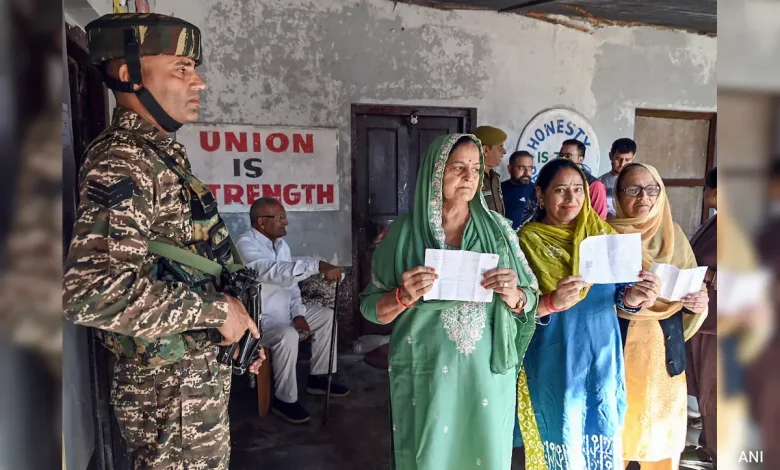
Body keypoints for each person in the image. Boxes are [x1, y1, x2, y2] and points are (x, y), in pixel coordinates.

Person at [62, 13, 263, 469]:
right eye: (181, 68)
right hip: (170, 398)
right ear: (130, 75)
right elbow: (90, 291)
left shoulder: (157, 153)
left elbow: (181, 263)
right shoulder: (122, 160)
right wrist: (217, 311)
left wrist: (235, 329)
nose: (198, 82)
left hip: (188, 386)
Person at [360, 134, 540, 470]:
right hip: (426, 372)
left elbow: (531, 298)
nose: (470, 176)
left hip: (485, 375)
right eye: (458, 168)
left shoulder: (500, 232)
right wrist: (402, 296)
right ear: (435, 172)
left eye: (476, 168)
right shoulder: (404, 235)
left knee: (484, 455)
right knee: (430, 455)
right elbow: (371, 309)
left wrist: (514, 295)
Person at [515, 158, 661, 469]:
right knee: (559, 436)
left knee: (601, 432)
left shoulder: (602, 236)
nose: (571, 198)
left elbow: (621, 295)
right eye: (560, 190)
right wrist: (552, 300)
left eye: (578, 189)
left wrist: (635, 297)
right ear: (541, 194)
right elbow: (515, 311)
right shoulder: (525, 243)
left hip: (601, 354)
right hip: (552, 358)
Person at [609, 163, 709, 469]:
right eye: (633, 189)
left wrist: (697, 302)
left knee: (660, 441)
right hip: (615, 354)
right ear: (618, 195)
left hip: (665, 356)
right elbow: (591, 299)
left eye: (651, 189)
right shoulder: (605, 235)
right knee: (615, 438)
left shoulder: (673, 234)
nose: (644, 197)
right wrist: (629, 298)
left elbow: (692, 288)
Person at [236, 197, 349, 424]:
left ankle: (318, 378)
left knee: (326, 316)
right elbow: (270, 271)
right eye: (280, 218)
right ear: (261, 222)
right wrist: (316, 265)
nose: (286, 222)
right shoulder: (245, 245)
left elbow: (290, 285)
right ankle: (284, 400)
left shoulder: (282, 246)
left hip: (286, 313)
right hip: (260, 321)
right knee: (287, 335)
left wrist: (298, 314)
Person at [684, 167, 718, 463]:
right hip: (703, 319)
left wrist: (709, 278)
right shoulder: (716, 222)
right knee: (705, 393)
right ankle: (709, 447)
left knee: (717, 395)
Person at [558, 139, 608, 219]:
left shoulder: (594, 185)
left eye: (568, 156)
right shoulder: (554, 180)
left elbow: (600, 221)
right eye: (561, 155)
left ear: (580, 159)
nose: (563, 159)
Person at [473, 125, 508, 216]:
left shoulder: (495, 177)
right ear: (485, 150)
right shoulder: (472, 178)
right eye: (500, 147)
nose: (504, 151)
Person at [598, 138, 637, 218]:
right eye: (618, 159)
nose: (622, 164)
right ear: (611, 156)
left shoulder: (637, 182)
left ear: (633, 157)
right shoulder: (599, 182)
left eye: (627, 160)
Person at [502, 150, 537, 230]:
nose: (526, 173)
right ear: (510, 168)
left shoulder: (538, 191)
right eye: (521, 168)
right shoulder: (498, 190)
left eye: (530, 168)